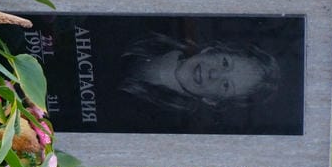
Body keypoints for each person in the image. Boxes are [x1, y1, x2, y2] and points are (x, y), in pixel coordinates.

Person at [118, 34, 281, 113]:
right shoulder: (145, 32)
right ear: (211, 50)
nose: (214, 74)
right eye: (225, 63)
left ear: (211, 100)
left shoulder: (146, 118)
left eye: (226, 85)